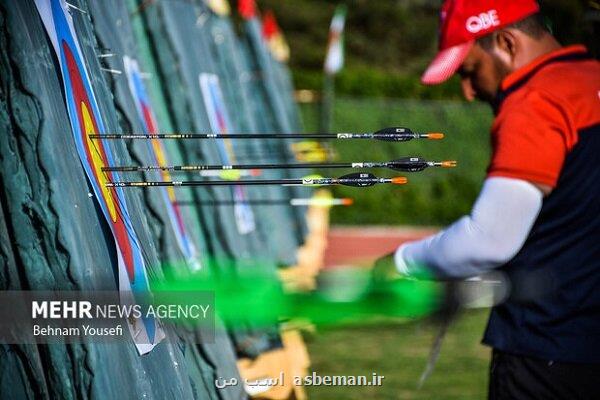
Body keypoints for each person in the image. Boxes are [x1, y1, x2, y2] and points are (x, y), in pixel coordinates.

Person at [373, 0, 600, 398]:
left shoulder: (535, 103)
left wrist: (401, 262)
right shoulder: (590, 83)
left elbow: (488, 240)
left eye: (469, 71)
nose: (467, 92)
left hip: (547, 353)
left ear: (506, 43)